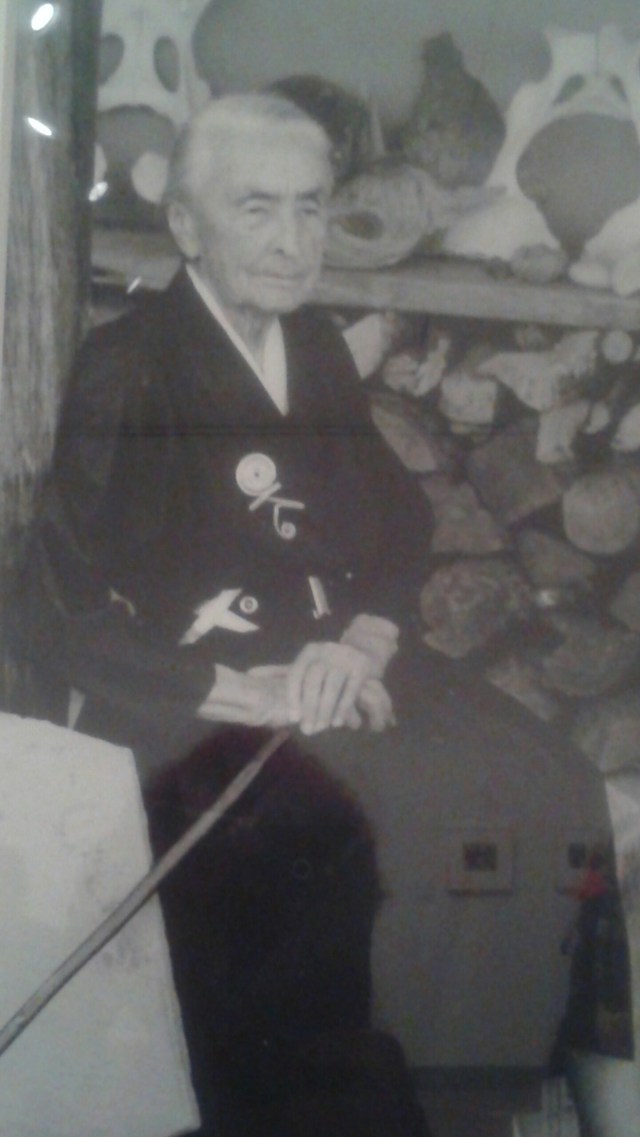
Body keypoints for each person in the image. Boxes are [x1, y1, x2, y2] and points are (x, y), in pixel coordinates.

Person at [22, 93, 435, 1135]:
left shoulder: (316, 347)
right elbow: (54, 604)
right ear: (186, 225)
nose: (293, 243)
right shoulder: (129, 367)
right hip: (181, 708)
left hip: (328, 677)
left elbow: (401, 515)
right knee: (308, 859)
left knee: (529, 781)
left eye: (311, 207)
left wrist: (363, 638)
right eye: (257, 209)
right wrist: (225, 686)